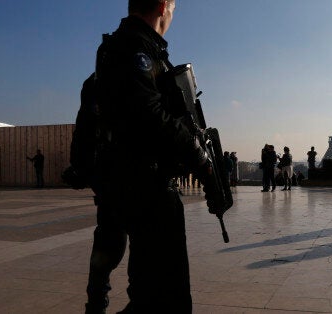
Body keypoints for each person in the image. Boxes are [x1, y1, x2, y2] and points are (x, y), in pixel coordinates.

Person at [86, 1, 211, 312]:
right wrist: (200, 157)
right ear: (162, 6)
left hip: (127, 180)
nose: (172, 17)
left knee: (148, 288)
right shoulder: (136, 48)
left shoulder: (122, 48)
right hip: (146, 184)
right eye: (173, 9)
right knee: (168, 293)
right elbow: (149, 114)